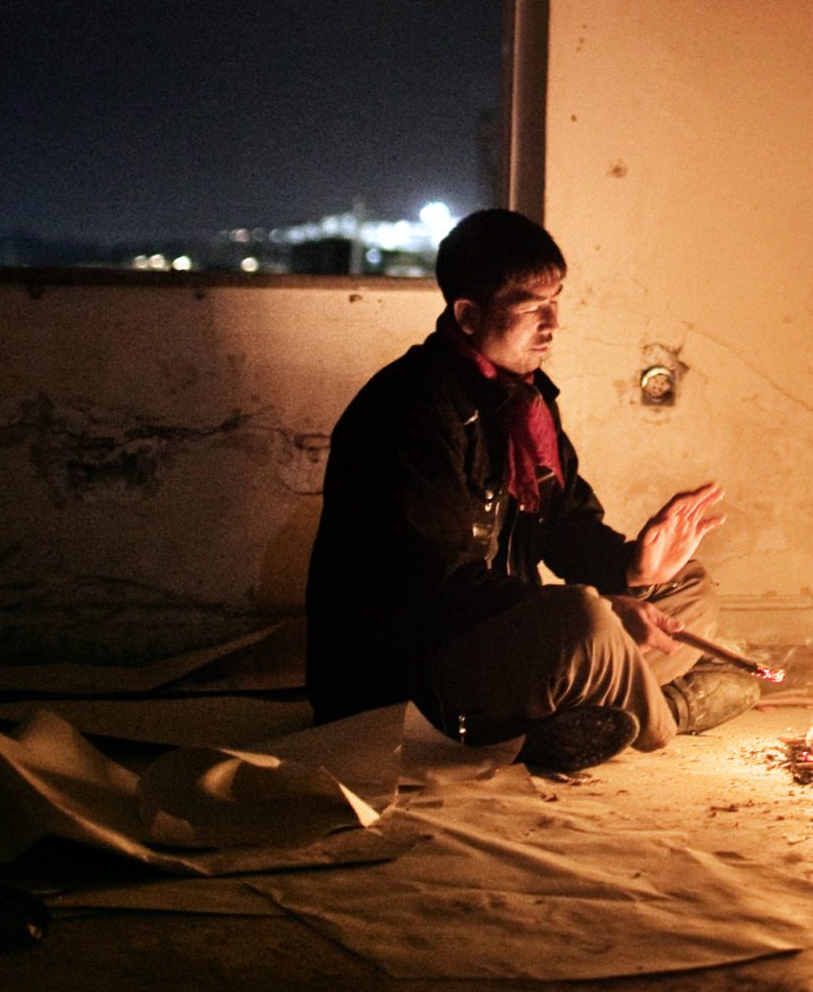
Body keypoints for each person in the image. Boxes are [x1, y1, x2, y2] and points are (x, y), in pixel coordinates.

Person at [305, 208, 759, 770]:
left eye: (556, 301)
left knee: (689, 587)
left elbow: (564, 526)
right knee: (585, 622)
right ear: (468, 315)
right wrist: (599, 610)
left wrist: (634, 568)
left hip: (496, 636)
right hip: (410, 678)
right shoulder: (410, 410)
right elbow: (432, 589)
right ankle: (665, 713)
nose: (553, 323)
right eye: (531, 308)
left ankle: (585, 711)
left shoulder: (525, 401)